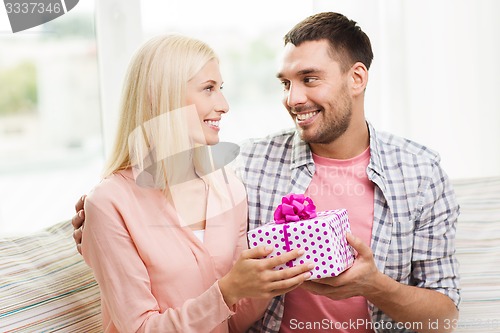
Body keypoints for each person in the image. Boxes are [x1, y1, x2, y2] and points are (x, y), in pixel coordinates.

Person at [73, 12, 460, 333]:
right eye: (286, 83)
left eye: (309, 79)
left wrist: (375, 286)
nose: (293, 99)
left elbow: (444, 318)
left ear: (356, 78)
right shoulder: (249, 166)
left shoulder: (420, 173)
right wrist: (99, 227)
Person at [77, 34, 313, 333]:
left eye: (221, 89)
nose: (224, 105)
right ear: (160, 96)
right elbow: (139, 329)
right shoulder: (110, 203)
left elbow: (234, 324)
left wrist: (265, 282)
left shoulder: (228, 189)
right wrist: (226, 292)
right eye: (208, 89)